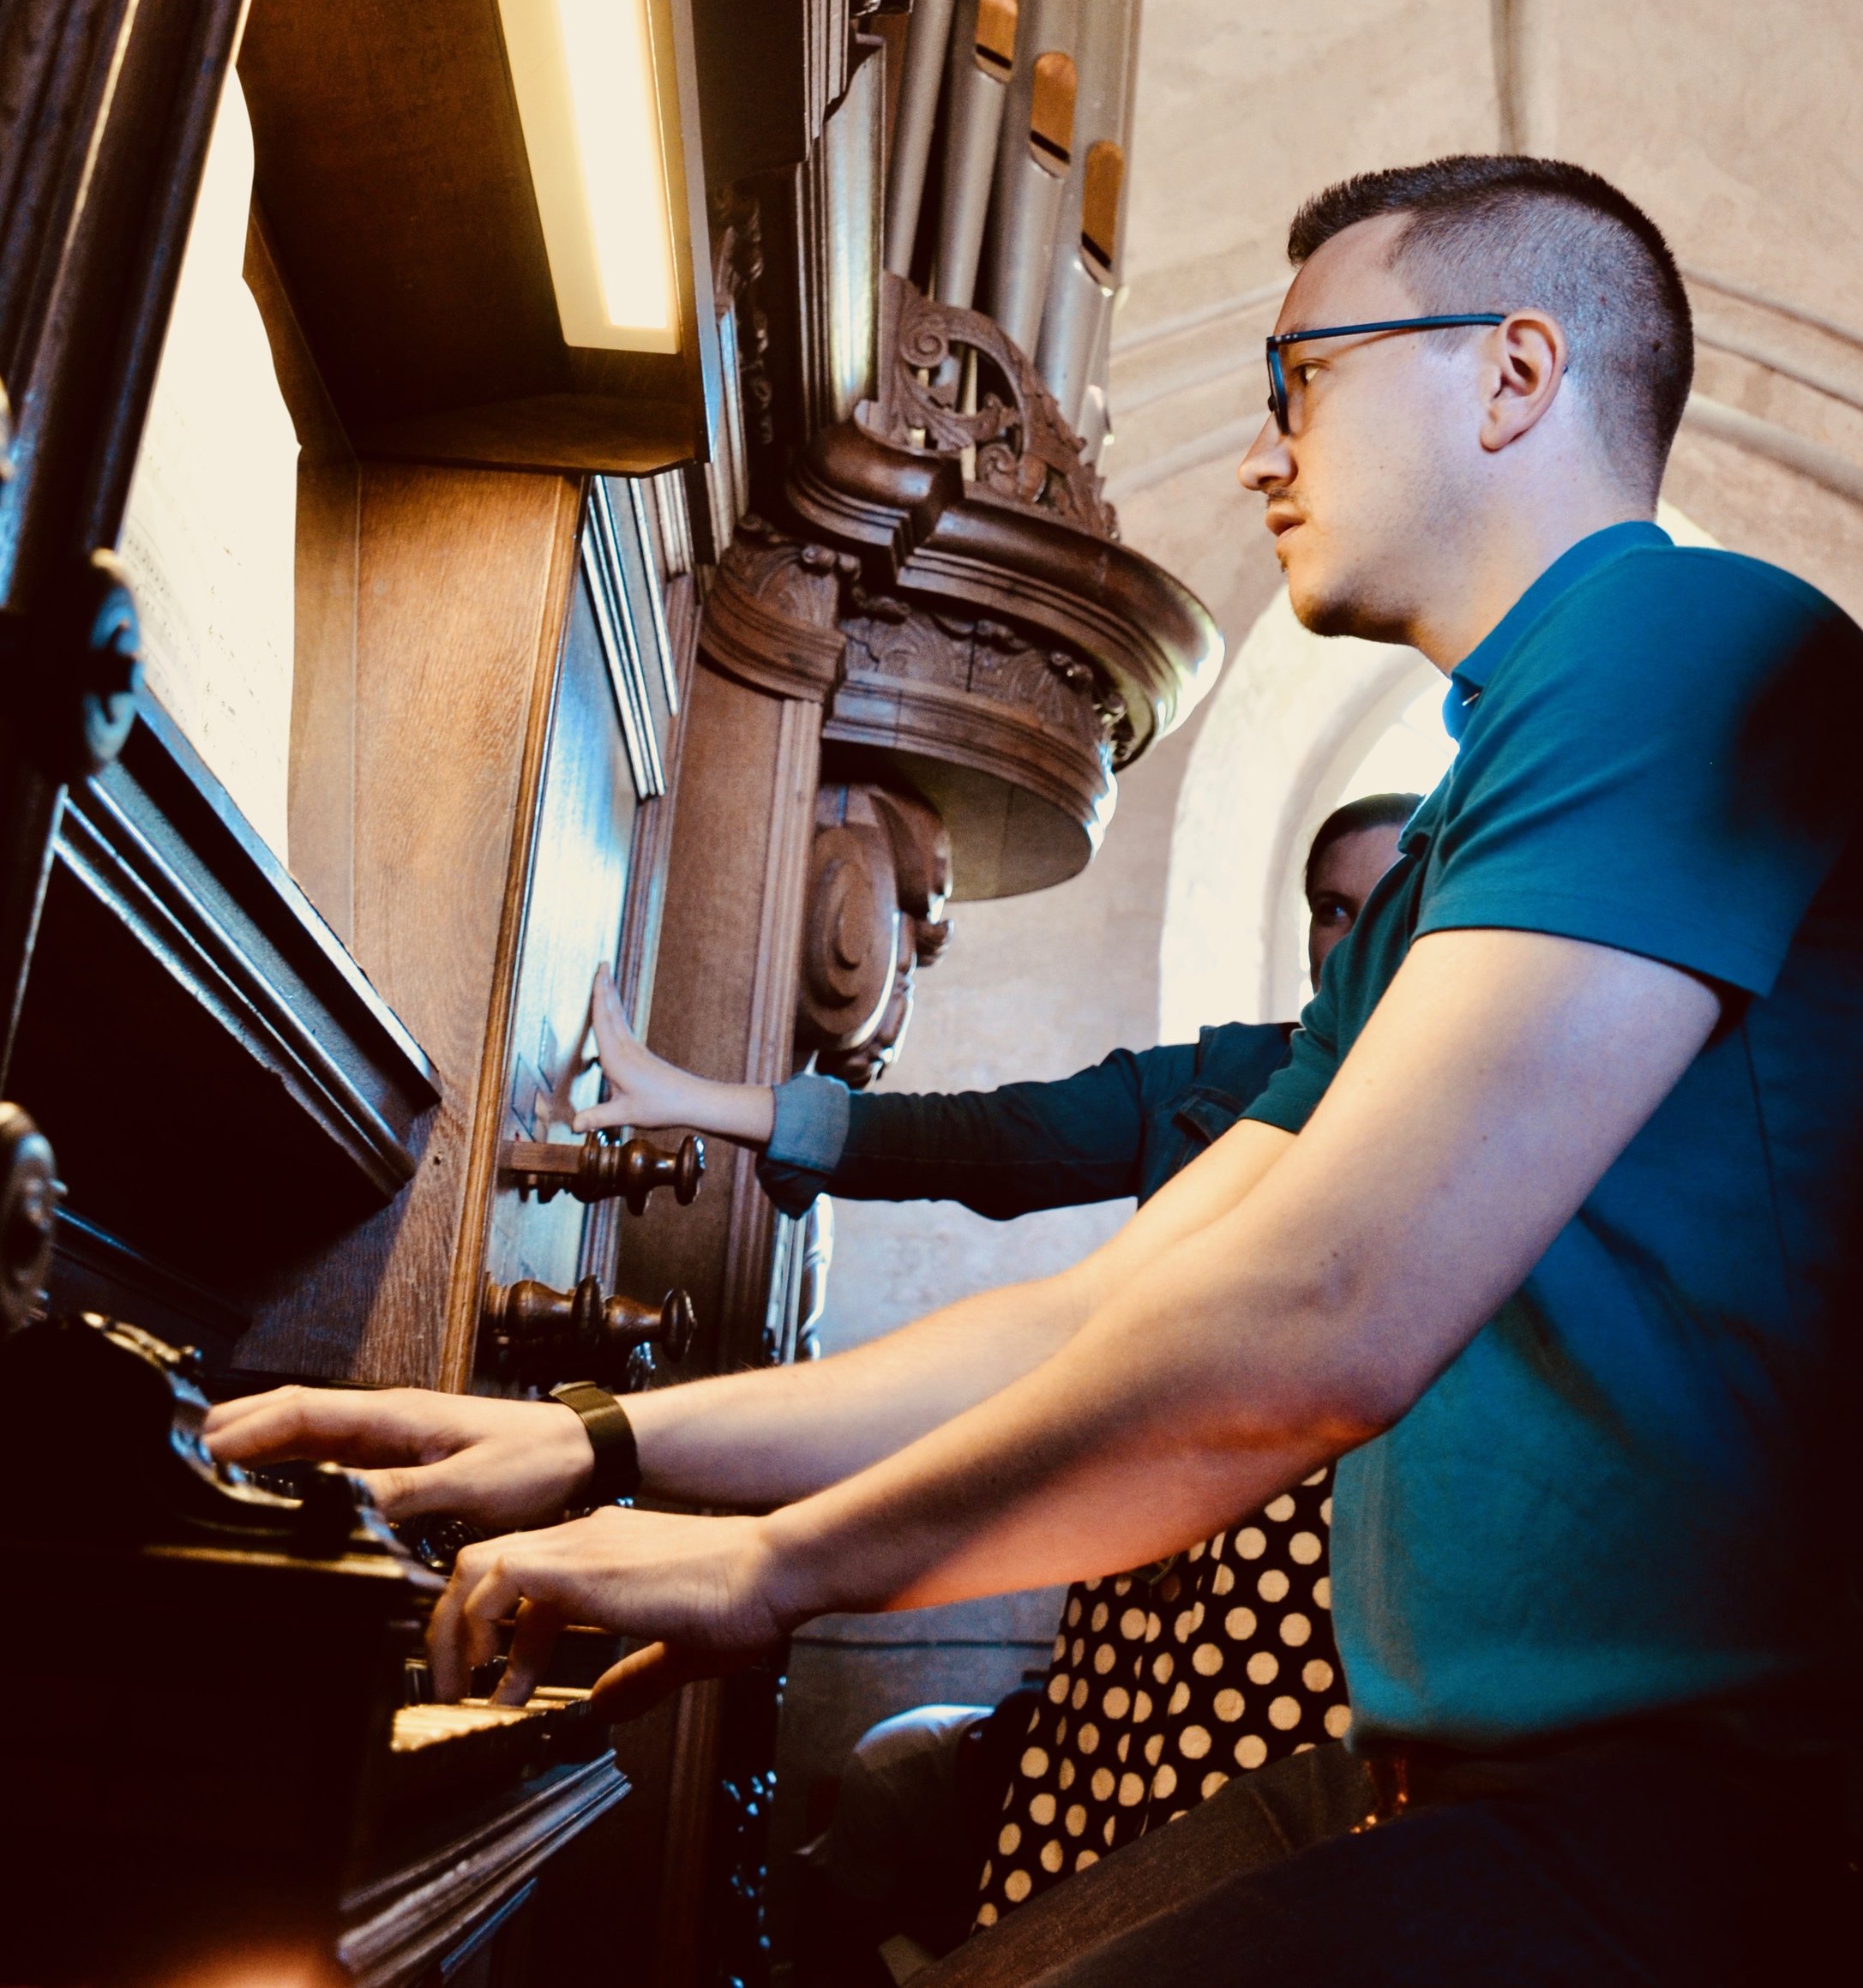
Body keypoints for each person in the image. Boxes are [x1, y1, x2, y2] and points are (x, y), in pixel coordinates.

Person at [207, 155, 1863, 1986]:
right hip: (1471, 1787)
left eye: (1307, 375)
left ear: (1514, 371)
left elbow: (1326, 1312)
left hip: (1759, 1830)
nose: (1266, 445)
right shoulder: (1461, 832)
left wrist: (776, 1569)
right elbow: (1124, 1302)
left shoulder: (1677, 643)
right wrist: (600, 1443)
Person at [570, 791, 1416, 1968]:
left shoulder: (1475, 1115)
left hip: (1332, 1626)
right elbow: (993, 1139)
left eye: (1390, 905)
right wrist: (706, 1105)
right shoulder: (1228, 1078)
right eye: (1332, 907)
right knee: (1086, 1908)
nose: (1357, 934)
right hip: (1146, 1591)